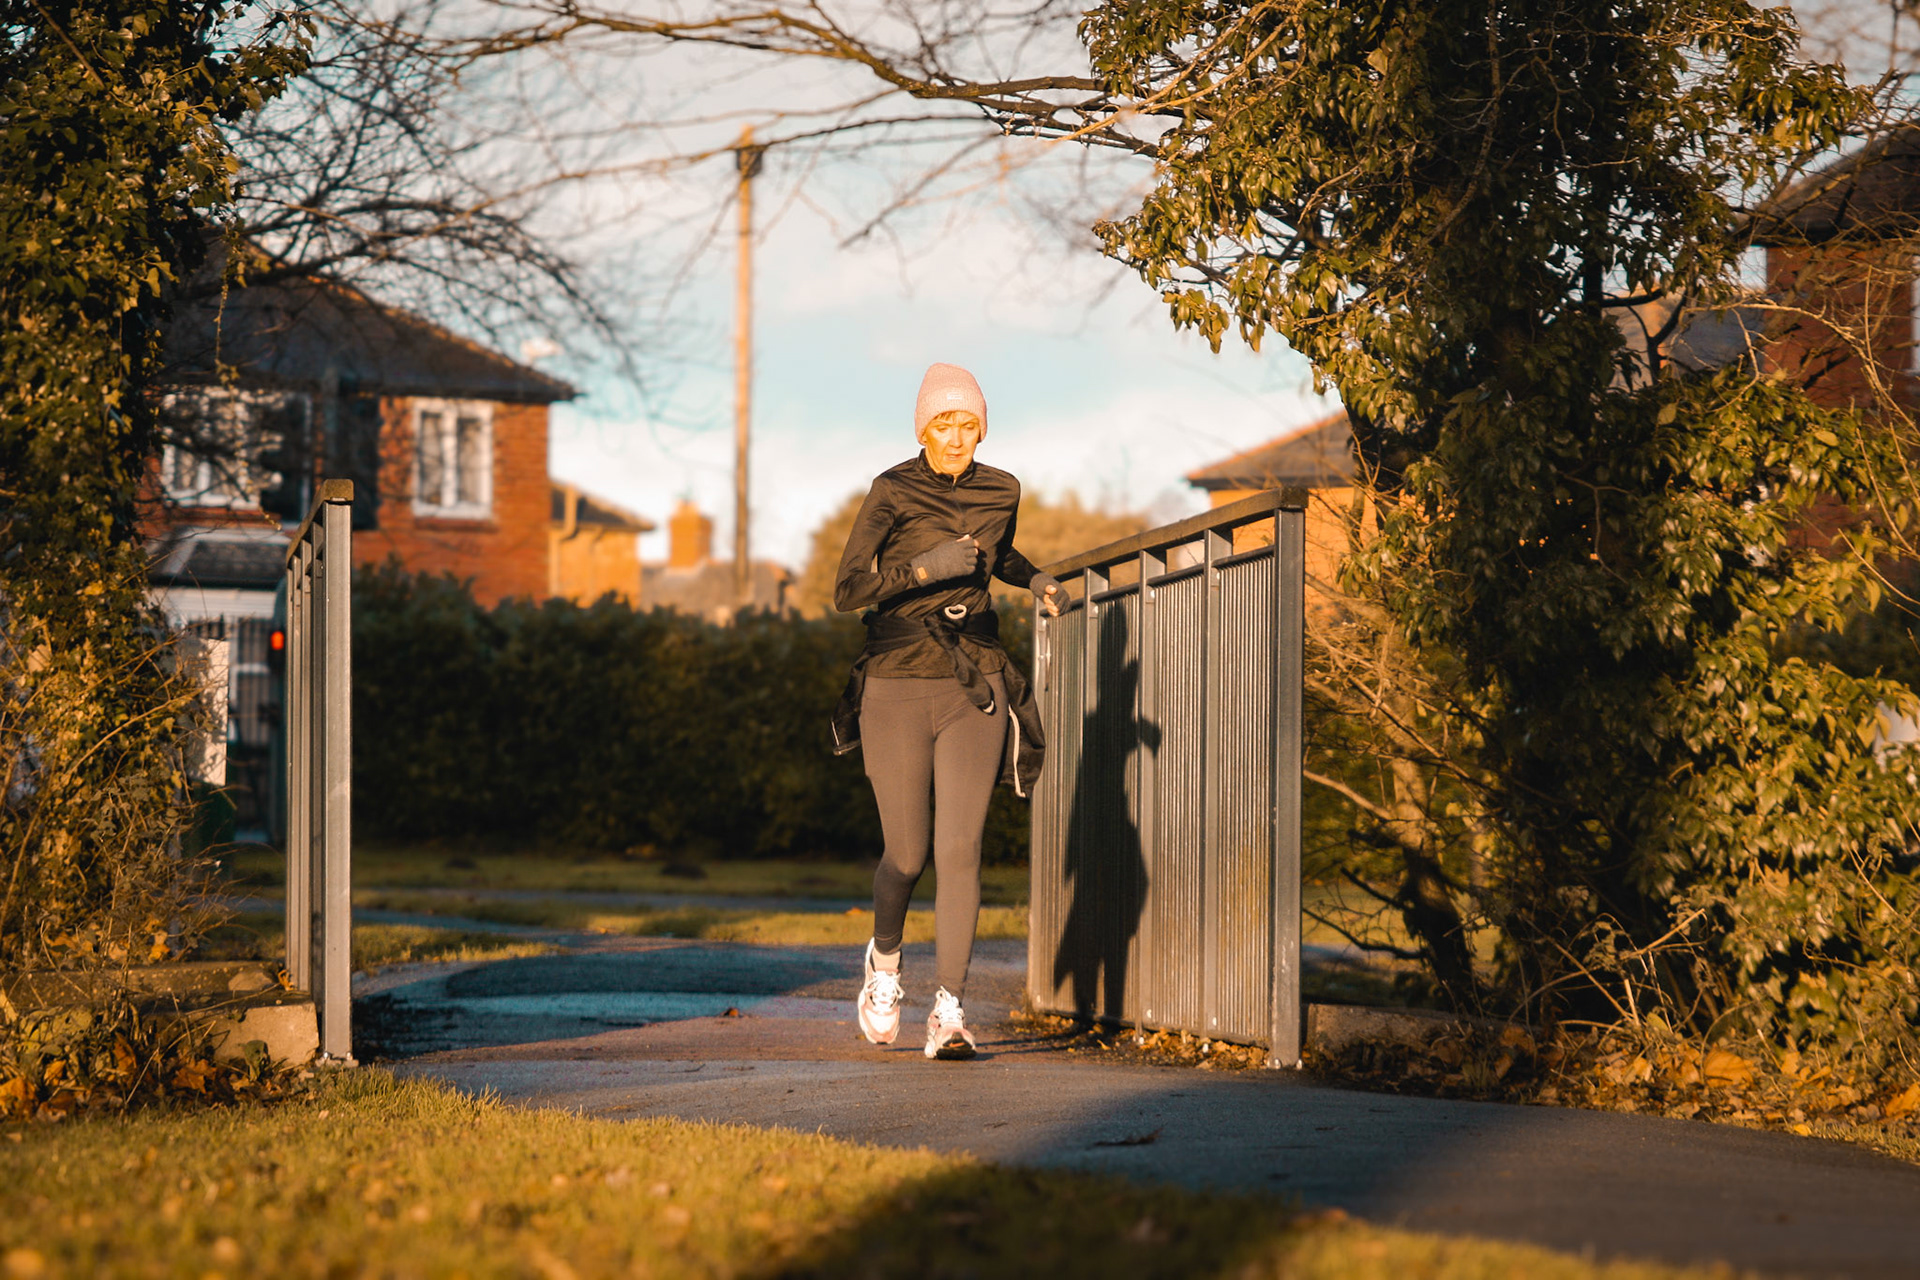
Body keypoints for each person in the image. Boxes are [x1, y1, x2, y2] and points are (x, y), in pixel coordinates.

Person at [829, 362, 1063, 1059]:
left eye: (968, 424)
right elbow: (847, 589)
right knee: (907, 854)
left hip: (975, 684)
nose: (957, 436)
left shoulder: (1003, 488)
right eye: (944, 423)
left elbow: (998, 555)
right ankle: (886, 967)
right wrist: (924, 569)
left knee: (961, 850)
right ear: (923, 427)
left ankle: (952, 1011)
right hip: (897, 682)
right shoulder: (891, 489)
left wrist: (1038, 577)